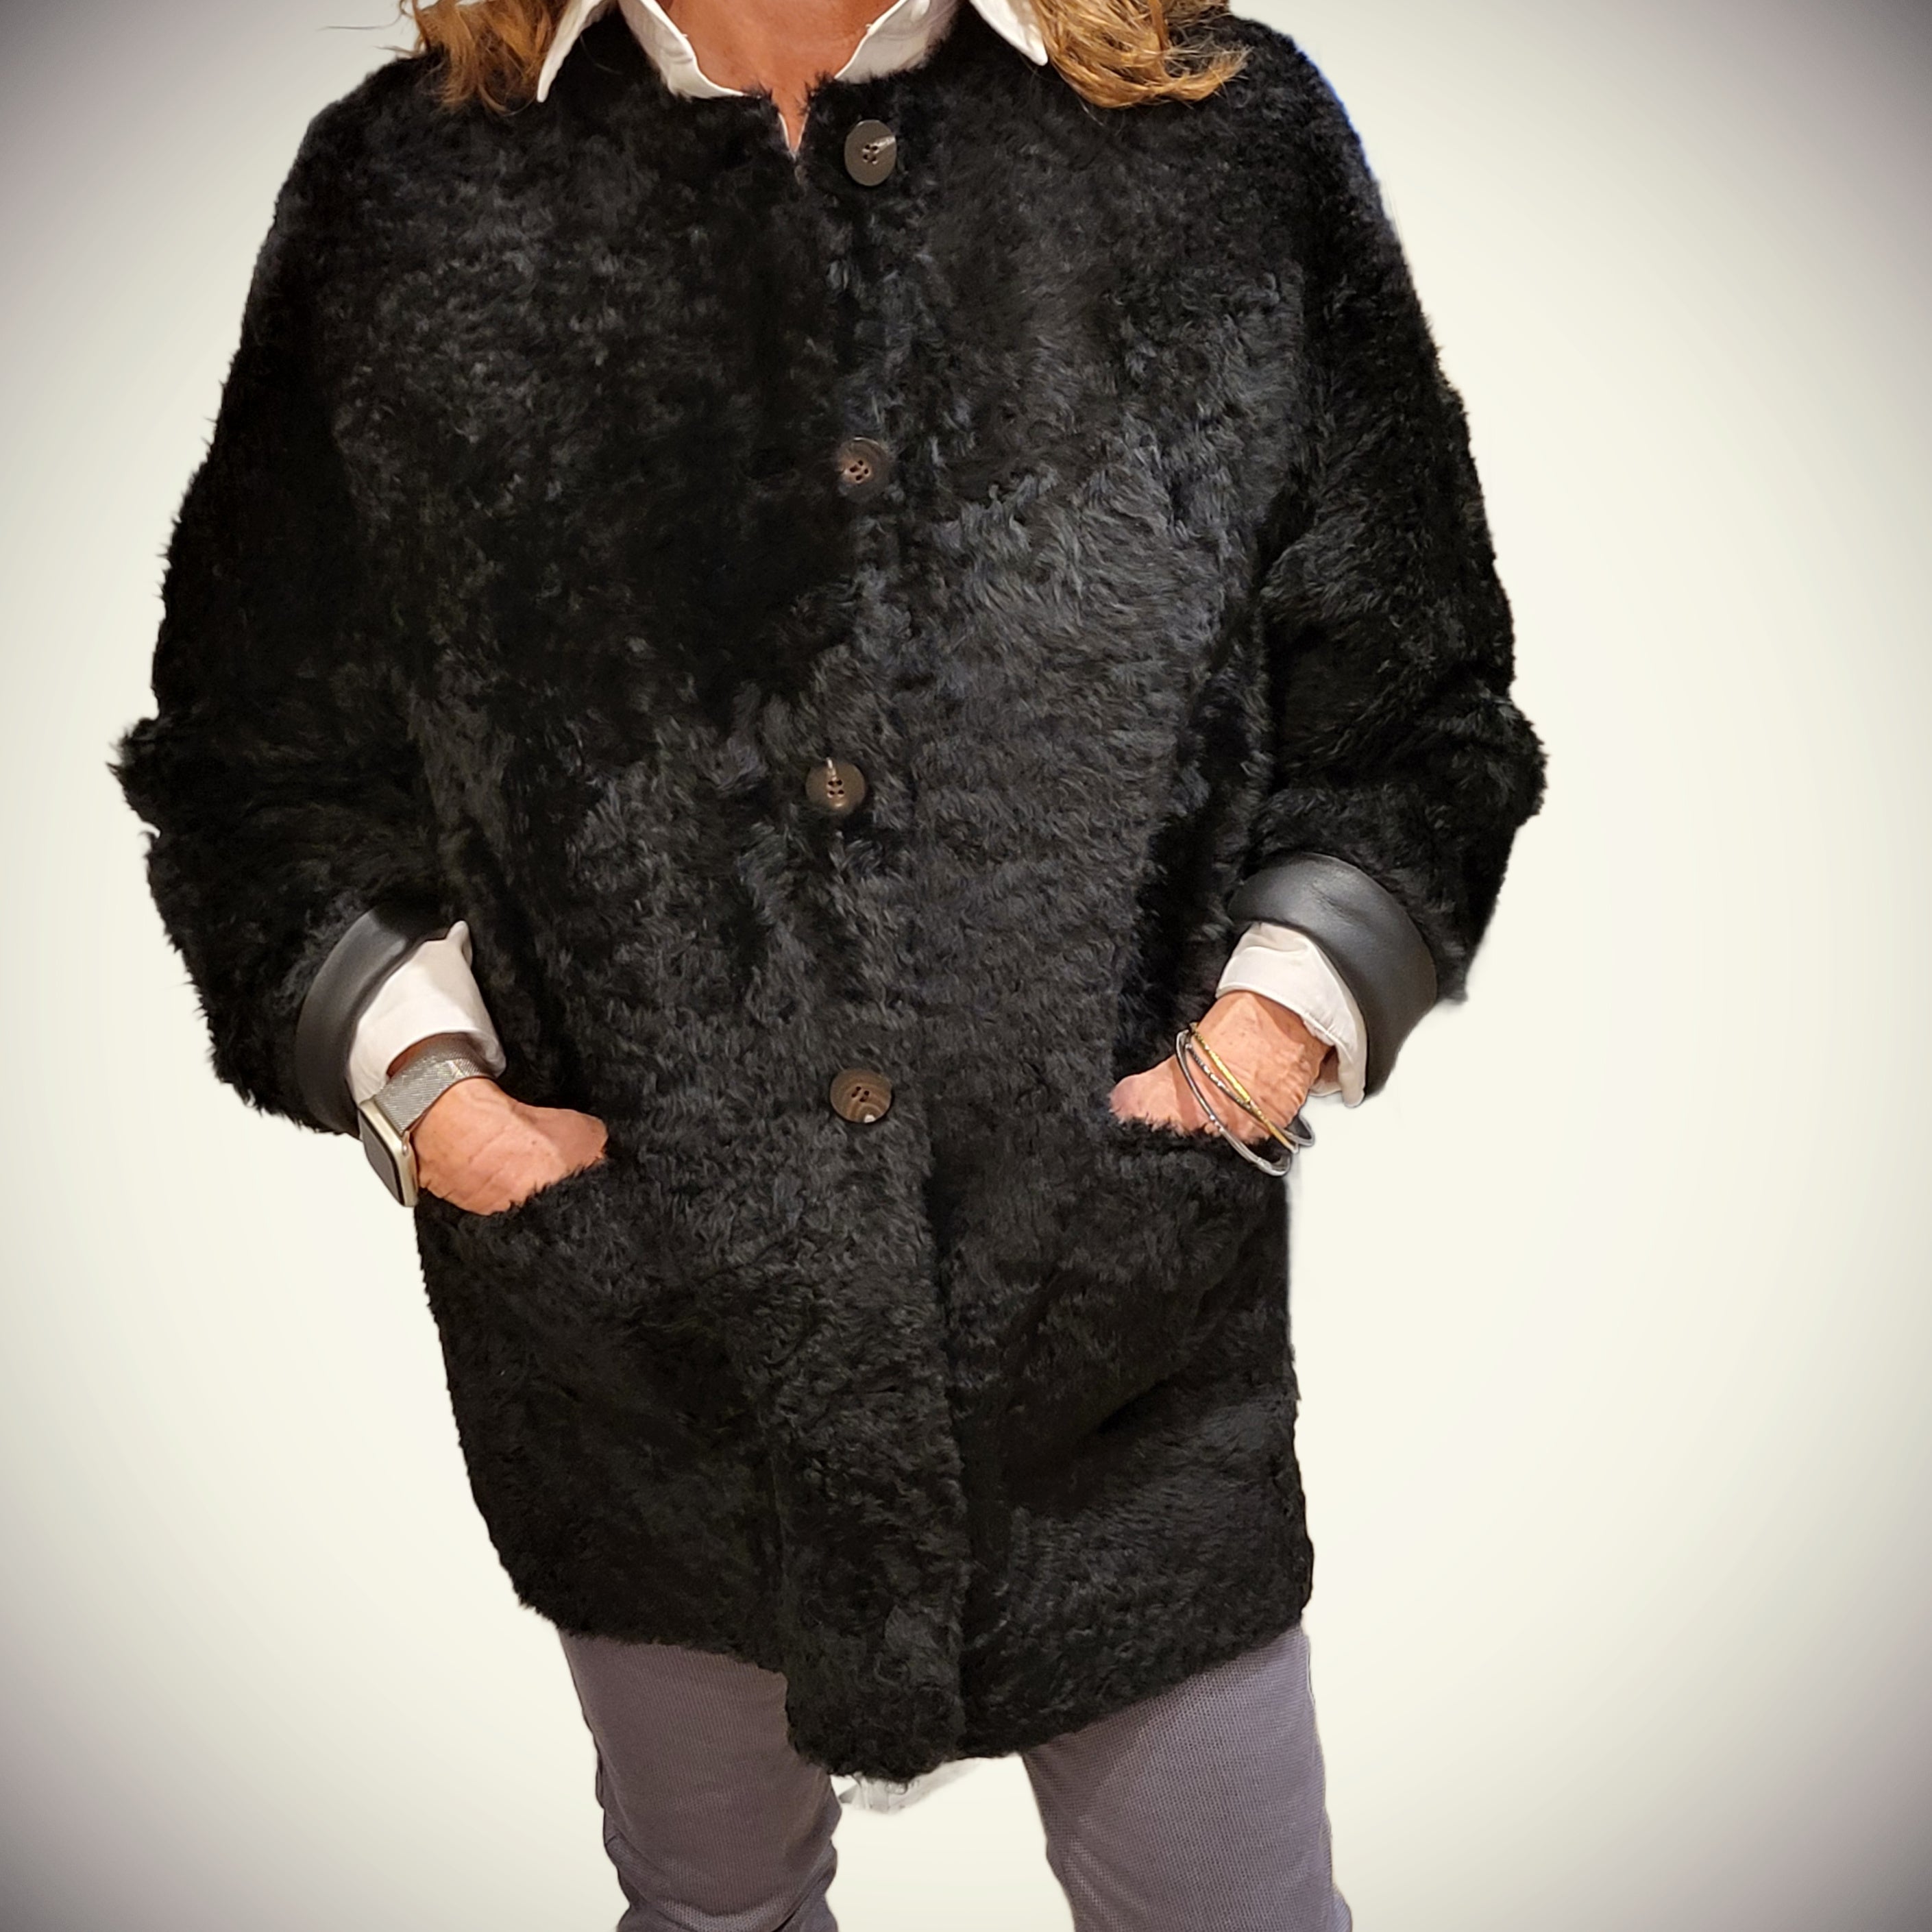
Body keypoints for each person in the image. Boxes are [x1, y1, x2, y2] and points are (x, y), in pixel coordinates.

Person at [111, 0, 1545, 1923]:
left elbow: (1414, 699)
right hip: (642, 1340)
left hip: (1118, 1332)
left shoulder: (1218, 138)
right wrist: (439, 1106)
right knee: (713, 1909)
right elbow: (255, 761)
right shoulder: (410, 192)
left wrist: (1258, 1049)